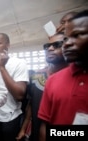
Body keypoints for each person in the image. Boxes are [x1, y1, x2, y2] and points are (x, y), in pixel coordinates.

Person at [38, 10, 88, 141]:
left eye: (77, 35)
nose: (67, 43)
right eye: (65, 39)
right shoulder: (53, 80)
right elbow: (45, 126)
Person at [16, 32, 68, 141]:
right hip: (36, 133)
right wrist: (23, 129)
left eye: (57, 45)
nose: (50, 49)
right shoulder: (36, 76)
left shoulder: (76, 79)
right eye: (47, 46)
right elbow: (31, 104)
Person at [0, 33, 29, 141]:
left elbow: (19, 95)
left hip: (10, 119)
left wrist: (1, 67)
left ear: (8, 45)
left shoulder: (19, 63)